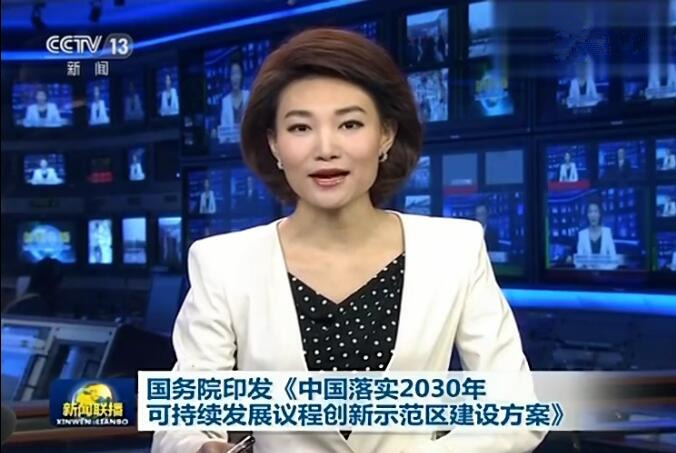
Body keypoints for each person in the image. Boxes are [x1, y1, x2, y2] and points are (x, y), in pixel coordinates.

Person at [151, 28, 545, 453]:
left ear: (386, 134)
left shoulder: (454, 249)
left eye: (350, 124)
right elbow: (181, 424)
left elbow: (517, 412)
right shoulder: (223, 263)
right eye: (300, 127)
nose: (326, 148)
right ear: (274, 144)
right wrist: (198, 446)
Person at [575, 199, 618, 270]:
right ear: (587, 215)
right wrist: (588, 268)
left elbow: (614, 261)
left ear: (599, 214)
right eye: (590, 212)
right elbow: (579, 263)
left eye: (596, 211)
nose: (593, 215)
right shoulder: (582, 234)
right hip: (587, 275)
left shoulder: (607, 232)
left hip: (604, 274)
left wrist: (601, 269)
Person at [219, 56, 250, 143]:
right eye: (232, 74)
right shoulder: (225, 101)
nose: (235, 78)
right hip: (231, 146)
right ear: (229, 77)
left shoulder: (249, 96)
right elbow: (223, 132)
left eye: (237, 73)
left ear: (241, 76)